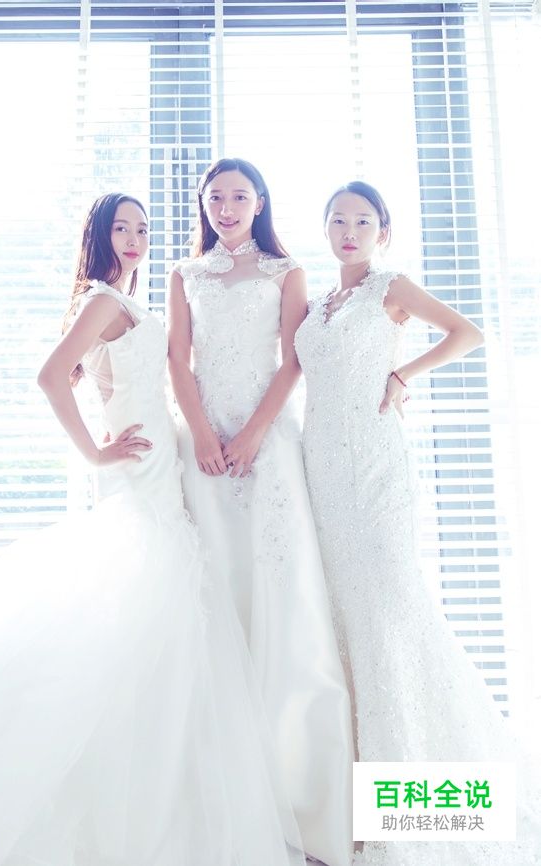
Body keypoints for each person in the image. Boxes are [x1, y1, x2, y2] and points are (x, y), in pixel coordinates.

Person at [0, 192, 306, 866]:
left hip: (161, 463)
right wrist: (95, 451)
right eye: (122, 228)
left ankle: (153, 780)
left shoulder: (125, 301)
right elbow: (51, 376)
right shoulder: (103, 301)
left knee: (155, 616)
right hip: (140, 469)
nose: (135, 237)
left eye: (143, 227)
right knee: (147, 604)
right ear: (100, 235)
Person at [294, 180, 539, 865]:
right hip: (319, 472)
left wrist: (402, 376)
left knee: (389, 620)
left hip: (374, 470)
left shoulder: (389, 288)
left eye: (362, 221)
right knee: (343, 626)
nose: (349, 231)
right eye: (338, 220)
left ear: (383, 232)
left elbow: (468, 333)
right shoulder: (317, 305)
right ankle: (346, 807)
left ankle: (411, 813)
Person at [168, 158, 354, 866]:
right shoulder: (186, 274)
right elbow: (177, 361)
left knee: (285, 599)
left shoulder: (287, 271)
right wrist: (204, 435)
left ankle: (301, 806)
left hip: (267, 446)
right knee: (215, 597)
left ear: (259, 201)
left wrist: (251, 435)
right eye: (215, 196)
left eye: (238, 196)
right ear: (203, 204)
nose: (226, 207)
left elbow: (293, 362)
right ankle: (221, 802)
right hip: (203, 446)